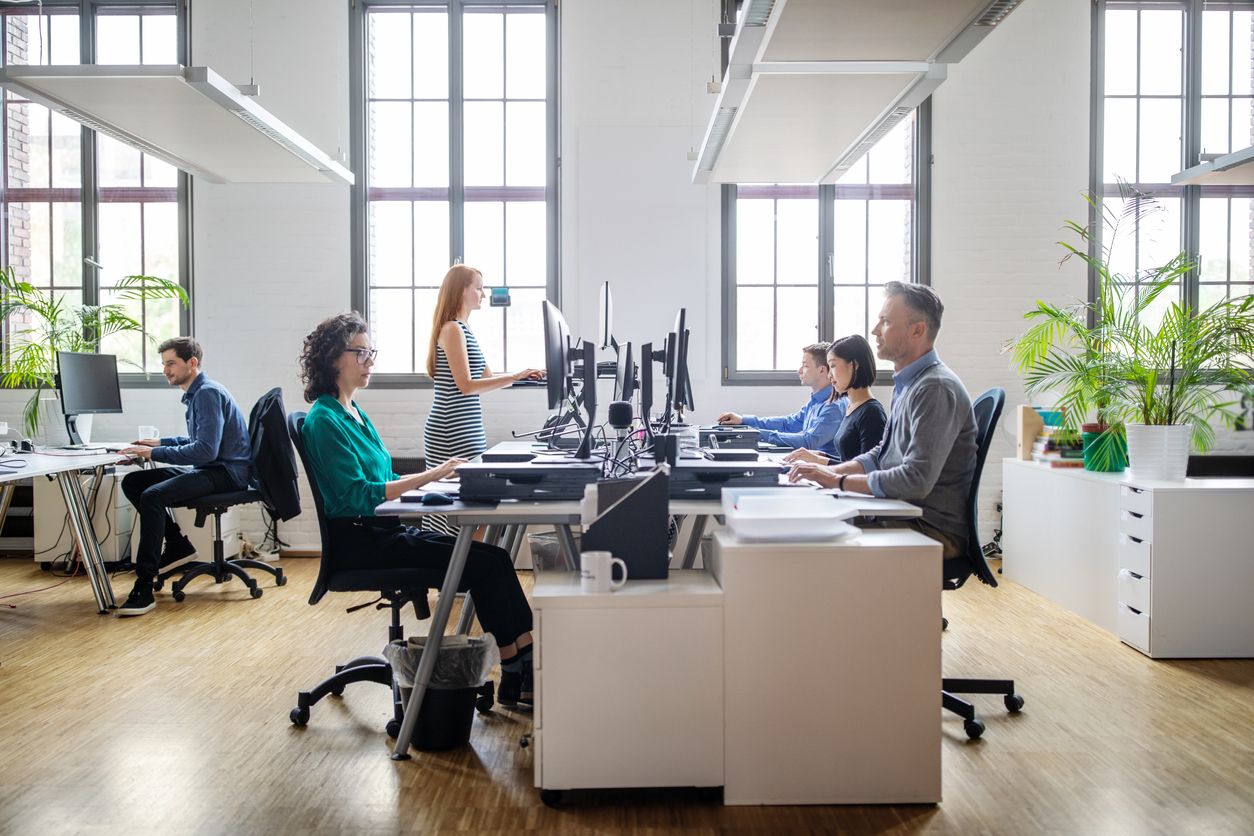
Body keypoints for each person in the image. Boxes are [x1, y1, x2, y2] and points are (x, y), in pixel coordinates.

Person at [301, 312, 535, 706]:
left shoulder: (353, 412)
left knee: (495, 557)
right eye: (361, 353)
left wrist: (443, 480)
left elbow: (386, 474)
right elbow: (360, 495)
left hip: (384, 532)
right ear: (332, 359)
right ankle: (517, 672)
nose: (369, 360)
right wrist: (432, 475)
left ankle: (525, 663)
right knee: (487, 565)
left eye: (370, 351)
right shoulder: (324, 420)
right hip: (363, 543)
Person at [788, 282, 976, 560]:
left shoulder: (935, 388)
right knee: (804, 522)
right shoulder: (909, 383)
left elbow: (916, 480)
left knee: (809, 539)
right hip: (904, 511)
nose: (875, 330)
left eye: (885, 321)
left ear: (917, 330)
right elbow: (882, 454)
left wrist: (837, 482)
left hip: (931, 527)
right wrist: (833, 473)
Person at [116, 337, 252, 616]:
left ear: (192, 363)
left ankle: (143, 585)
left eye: (171, 363)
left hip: (224, 473)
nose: (166, 370)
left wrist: (155, 454)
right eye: (164, 364)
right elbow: (198, 440)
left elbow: (204, 450)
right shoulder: (198, 392)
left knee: (152, 496)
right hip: (213, 468)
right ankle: (177, 544)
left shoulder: (206, 393)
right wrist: (157, 443)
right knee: (134, 482)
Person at [424, 265, 542, 535]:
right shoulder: (452, 329)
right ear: (461, 290)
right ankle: (456, 570)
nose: (483, 294)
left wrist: (525, 376)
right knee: (463, 506)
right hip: (452, 429)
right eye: (478, 287)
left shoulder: (464, 329)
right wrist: (514, 376)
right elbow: (466, 386)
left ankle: (468, 570)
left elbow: (486, 377)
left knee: (474, 506)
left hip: (467, 427)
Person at [716, 342, 845, 456]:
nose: (799, 370)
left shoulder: (833, 406)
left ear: (822, 370)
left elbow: (808, 441)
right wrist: (743, 420)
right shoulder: (816, 401)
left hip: (824, 471)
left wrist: (756, 434)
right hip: (808, 463)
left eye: (805, 366)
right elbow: (788, 424)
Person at [784, 335, 887, 465]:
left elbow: (868, 470)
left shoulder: (872, 413)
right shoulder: (852, 407)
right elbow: (850, 460)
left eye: (832, 366)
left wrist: (821, 461)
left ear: (854, 365)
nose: (829, 375)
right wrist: (821, 457)